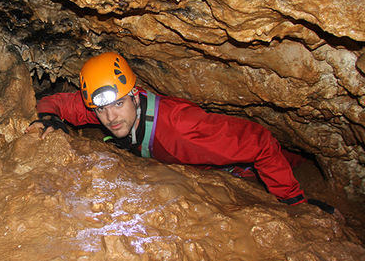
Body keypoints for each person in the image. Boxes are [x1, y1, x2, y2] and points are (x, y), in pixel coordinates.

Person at [26, 52, 335, 214]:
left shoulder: (181, 128)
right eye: (100, 110)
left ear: (135, 95)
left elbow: (260, 143)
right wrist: (49, 117)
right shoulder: (107, 110)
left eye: (118, 104)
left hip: (247, 167)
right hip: (202, 161)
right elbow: (57, 102)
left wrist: (293, 200)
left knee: (290, 158)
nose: (109, 118)